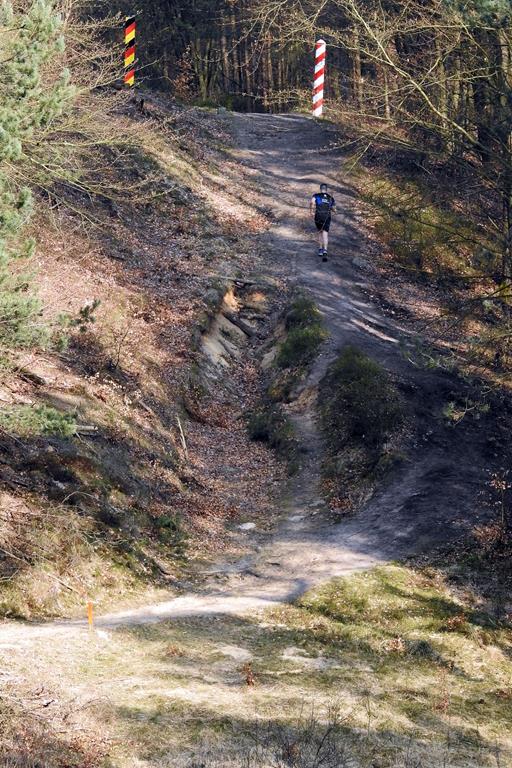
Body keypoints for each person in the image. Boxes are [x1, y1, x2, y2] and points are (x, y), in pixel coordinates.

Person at [310, 183, 336, 261]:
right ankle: (325, 250)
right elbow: (334, 209)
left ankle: (320, 249)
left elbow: (312, 203)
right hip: (327, 217)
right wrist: (334, 210)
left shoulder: (316, 195)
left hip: (318, 216)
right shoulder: (331, 198)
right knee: (325, 233)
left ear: (320, 189)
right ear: (326, 189)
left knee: (320, 232)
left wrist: (311, 211)